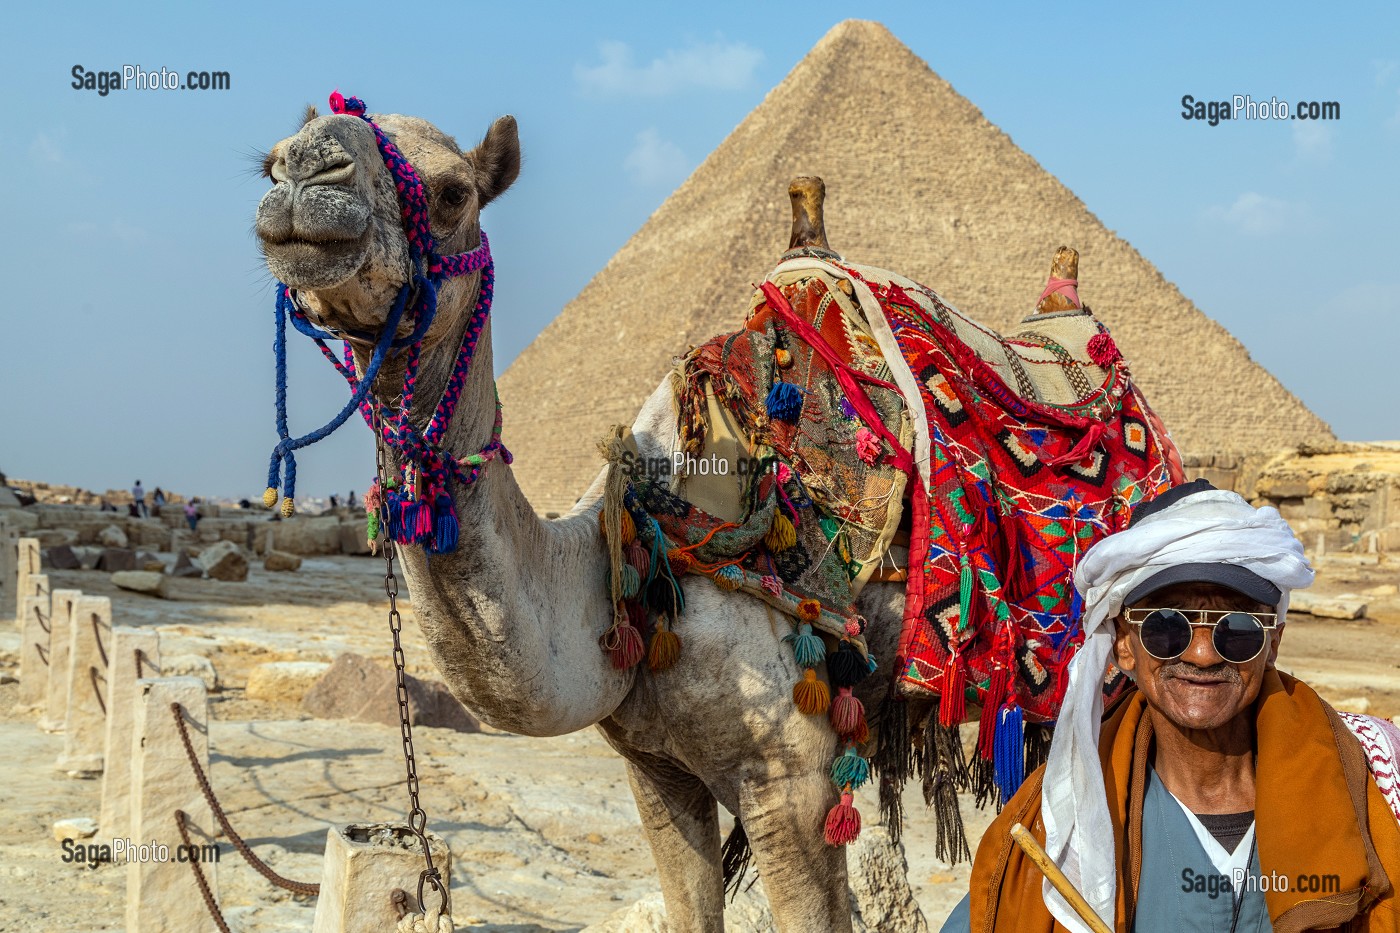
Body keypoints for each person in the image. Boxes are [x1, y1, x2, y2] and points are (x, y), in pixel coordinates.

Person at [943, 480, 1400, 932]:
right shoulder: (1060, 819)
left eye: (1237, 629)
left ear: (1273, 643)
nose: (1202, 655)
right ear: (1123, 644)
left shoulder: (1364, 781)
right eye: (1167, 627)